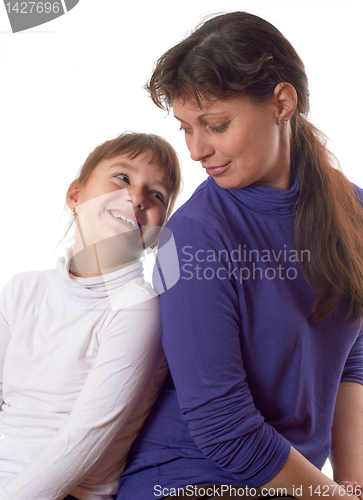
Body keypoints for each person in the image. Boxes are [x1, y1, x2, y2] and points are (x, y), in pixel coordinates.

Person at [117, 12, 363, 500]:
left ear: (282, 103)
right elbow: (224, 428)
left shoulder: (354, 209)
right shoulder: (190, 237)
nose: (196, 150)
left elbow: (352, 359)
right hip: (187, 480)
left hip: (293, 488)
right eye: (187, 128)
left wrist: (353, 487)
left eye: (216, 125)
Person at [0, 132, 181, 500]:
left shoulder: (138, 309)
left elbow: (84, 438)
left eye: (157, 194)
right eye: (123, 177)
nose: (136, 196)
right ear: (76, 195)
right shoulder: (23, 289)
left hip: (63, 491)